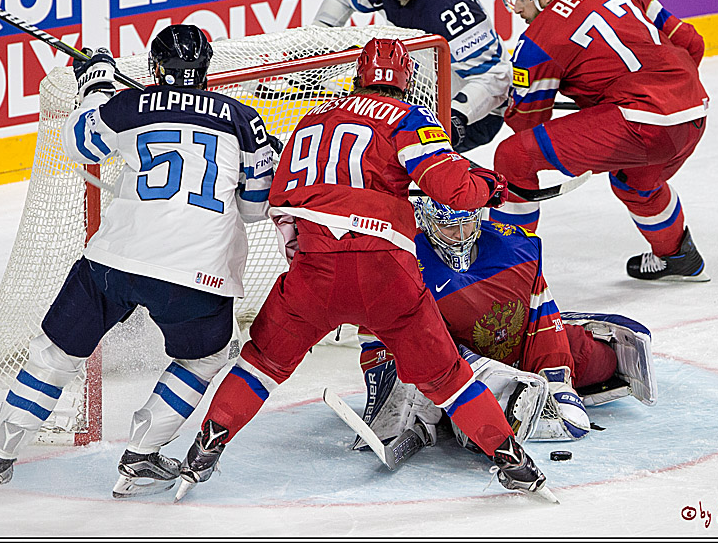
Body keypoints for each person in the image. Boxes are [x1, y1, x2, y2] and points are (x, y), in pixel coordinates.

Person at [172, 37, 557, 504]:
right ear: (405, 82)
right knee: (449, 378)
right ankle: (511, 459)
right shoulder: (408, 119)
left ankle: (205, 447)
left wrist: (304, 256)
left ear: (358, 77)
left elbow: (281, 204)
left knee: (262, 362)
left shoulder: (306, 122)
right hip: (385, 273)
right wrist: (490, 185)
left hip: (314, 270)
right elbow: (454, 189)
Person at [0, 25, 276, 503]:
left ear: (156, 69)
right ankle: (142, 451)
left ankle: (2, 450)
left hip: (115, 260)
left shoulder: (127, 105)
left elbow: (78, 143)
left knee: (55, 353)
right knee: (202, 360)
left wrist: (97, 82)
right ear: (205, 70)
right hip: (199, 274)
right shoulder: (246, 121)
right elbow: (256, 208)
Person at [352, 198, 657, 458]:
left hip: (512, 349)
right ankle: (446, 407)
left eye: (467, 224)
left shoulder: (517, 246)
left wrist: (555, 379)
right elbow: (381, 338)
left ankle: (515, 382)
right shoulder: (401, 259)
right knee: (464, 423)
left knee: (601, 366)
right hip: (444, 365)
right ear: (427, 220)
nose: (460, 236)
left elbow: (541, 313)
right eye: (448, 226)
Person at [492, 0, 710, 282]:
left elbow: (527, 123)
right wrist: (666, 94)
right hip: (694, 110)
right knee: (634, 180)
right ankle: (677, 255)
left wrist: (509, 102)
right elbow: (693, 43)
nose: (515, 7)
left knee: (513, 156)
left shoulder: (538, 41)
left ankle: (505, 272)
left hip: (641, 123)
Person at [313, 0, 511, 153]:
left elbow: (495, 78)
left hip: (475, 116)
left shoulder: (451, 7)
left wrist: (456, 115)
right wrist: (319, 40)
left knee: (374, 151)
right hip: (422, 91)